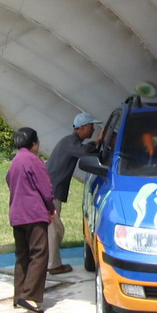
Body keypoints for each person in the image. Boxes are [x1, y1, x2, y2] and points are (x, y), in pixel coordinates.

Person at [7, 127, 56, 313]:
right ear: (33, 143)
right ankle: (30, 296)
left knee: (22, 255)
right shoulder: (33, 160)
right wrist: (51, 209)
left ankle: (19, 293)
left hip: (17, 214)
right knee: (39, 253)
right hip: (34, 213)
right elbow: (45, 188)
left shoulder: (15, 161)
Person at [46, 112, 102, 275]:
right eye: (91, 127)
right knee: (55, 229)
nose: (92, 130)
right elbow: (85, 152)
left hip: (52, 190)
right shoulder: (71, 142)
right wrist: (98, 141)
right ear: (82, 128)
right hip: (52, 191)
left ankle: (50, 262)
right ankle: (53, 265)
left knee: (55, 228)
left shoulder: (69, 141)